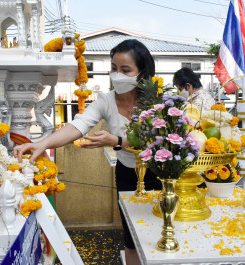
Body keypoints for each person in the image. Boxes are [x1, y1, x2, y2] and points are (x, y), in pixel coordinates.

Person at [13, 39, 161, 265]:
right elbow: (77, 126)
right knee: (131, 238)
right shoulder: (106, 101)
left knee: (159, 233)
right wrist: (43, 144)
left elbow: (157, 144)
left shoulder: (156, 102)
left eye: (125, 70)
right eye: (114, 68)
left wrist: (116, 140)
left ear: (141, 74)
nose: (117, 74)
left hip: (158, 174)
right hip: (127, 175)